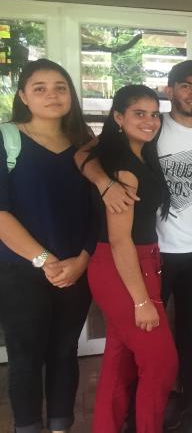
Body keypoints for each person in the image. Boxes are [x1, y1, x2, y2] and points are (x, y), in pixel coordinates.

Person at [77, 59, 192, 428]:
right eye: (186, 85)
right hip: (146, 256)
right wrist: (104, 183)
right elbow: (83, 156)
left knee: (161, 342)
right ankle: (141, 418)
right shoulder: (145, 138)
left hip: (187, 252)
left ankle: (190, 408)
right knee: (155, 356)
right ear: (171, 90)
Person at [0, 59, 95, 433]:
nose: (51, 95)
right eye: (39, 88)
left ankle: (60, 427)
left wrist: (82, 259)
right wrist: (45, 260)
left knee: (65, 352)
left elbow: (97, 211)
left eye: (60, 87)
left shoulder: (85, 145)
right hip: (20, 271)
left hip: (75, 270)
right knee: (25, 357)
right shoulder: (7, 139)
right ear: (23, 96)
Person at [84, 85, 178, 433]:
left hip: (138, 263)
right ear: (119, 117)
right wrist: (141, 301)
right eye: (139, 113)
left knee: (119, 359)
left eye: (154, 114)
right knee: (161, 363)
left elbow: (82, 154)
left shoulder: (133, 155)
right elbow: (119, 239)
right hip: (122, 266)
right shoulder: (123, 167)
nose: (150, 121)